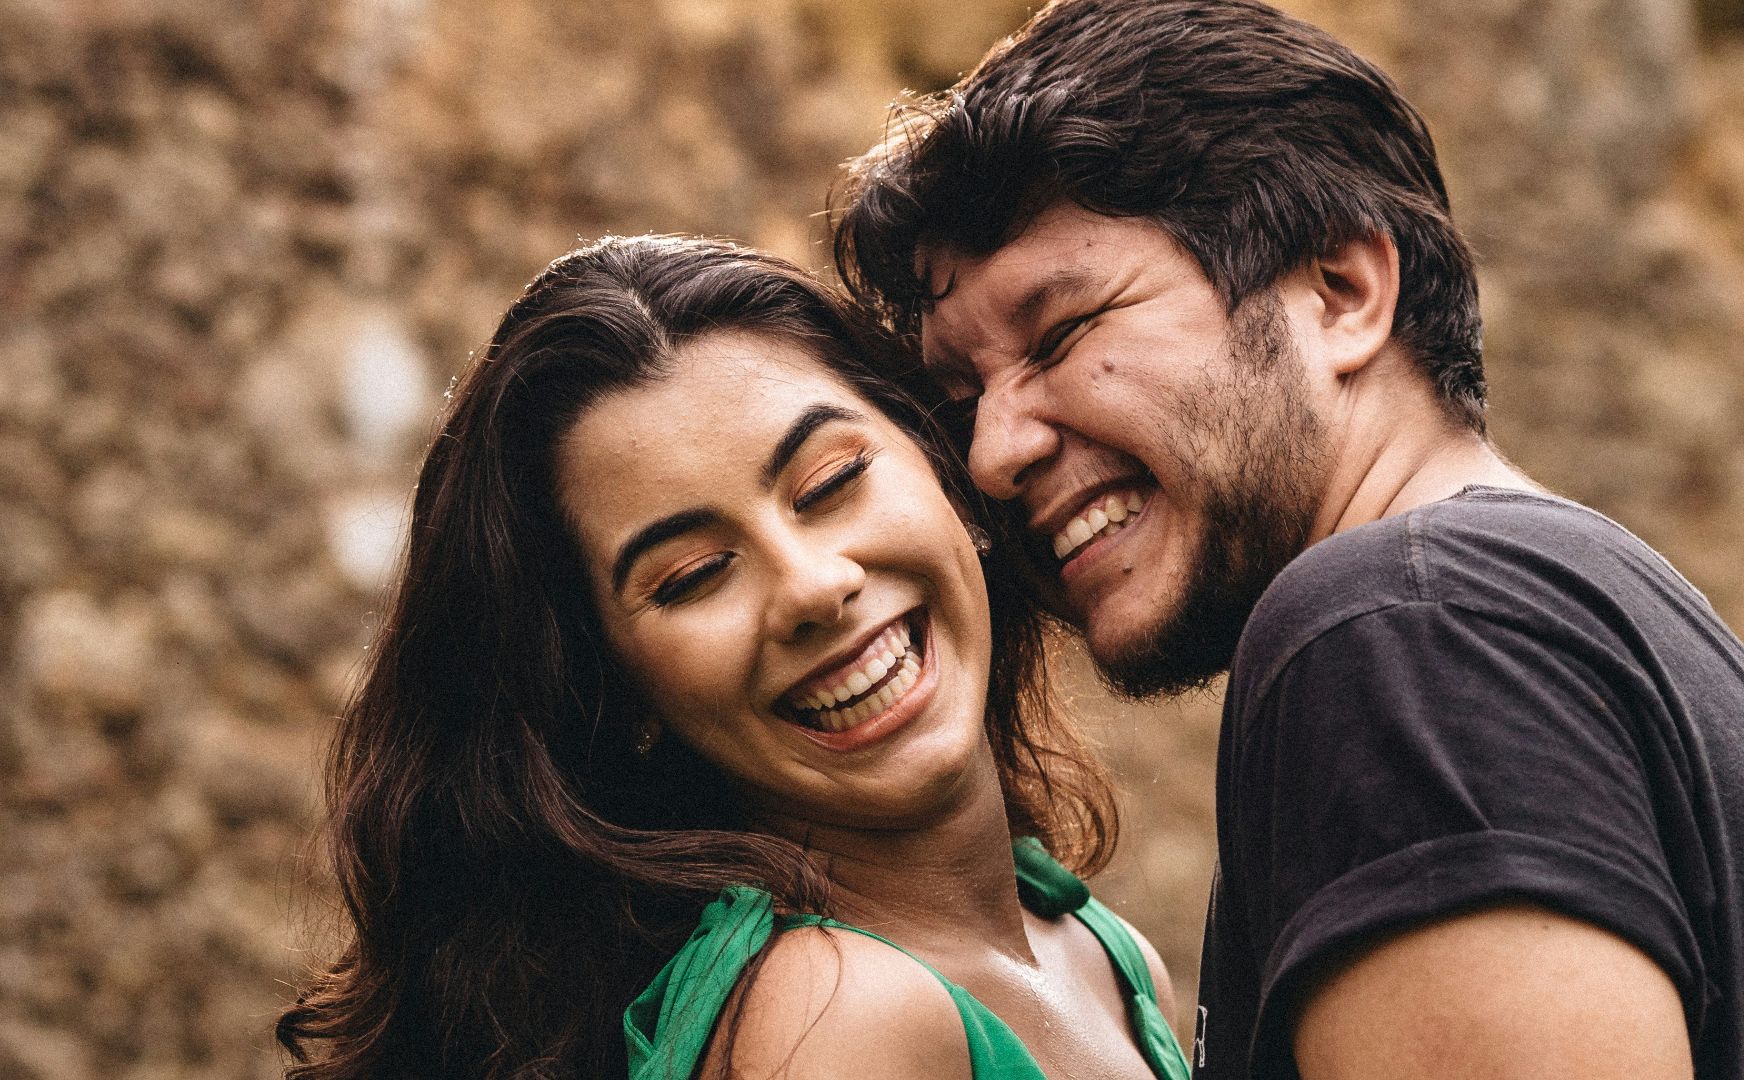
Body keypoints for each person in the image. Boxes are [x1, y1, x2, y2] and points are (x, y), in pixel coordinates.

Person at [832, 1, 1744, 1078]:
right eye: (962, 394)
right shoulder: (1743, 733)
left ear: (1342, 292)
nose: (992, 453)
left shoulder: (1396, 636)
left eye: (1061, 332)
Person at [276, 234, 1193, 1080]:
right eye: (690, 577)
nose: (809, 587)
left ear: (946, 469)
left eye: (830, 481)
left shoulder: (1104, 954)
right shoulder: (836, 1018)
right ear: (616, 688)